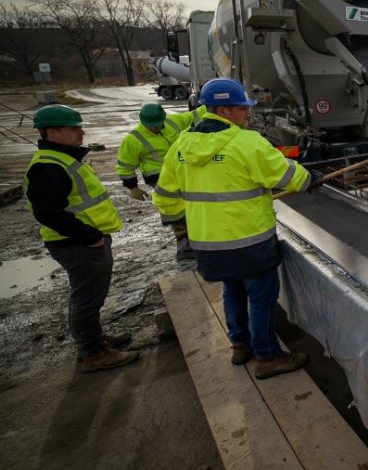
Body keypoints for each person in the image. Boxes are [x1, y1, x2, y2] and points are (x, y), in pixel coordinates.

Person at [152, 78, 313, 379]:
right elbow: (289, 177)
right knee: (261, 297)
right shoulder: (245, 142)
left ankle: (240, 345)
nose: (246, 115)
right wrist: (308, 177)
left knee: (232, 290)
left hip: (208, 245)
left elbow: (165, 197)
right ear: (224, 109)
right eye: (242, 109)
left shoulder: (182, 145)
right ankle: (267, 357)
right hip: (250, 241)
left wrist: (186, 224)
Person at [24, 104, 139, 373]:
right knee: (87, 298)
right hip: (78, 244)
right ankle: (93, 352)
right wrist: (91, 237)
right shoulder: (49, 166)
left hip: (81, 241)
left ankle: (93, 340)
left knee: (86, 296)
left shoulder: (61, 158)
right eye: (74, 128)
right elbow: (48, 212)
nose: (81, 132)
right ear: (53, 131)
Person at [117, 102, 205, 259]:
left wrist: (214, 102)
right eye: (151, 126)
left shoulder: (173, 121)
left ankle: (198, 241)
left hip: (182, 172)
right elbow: (125, 166)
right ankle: (185, 247)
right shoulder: (133, 139)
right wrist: (133, 188)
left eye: (158, 125)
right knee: (175, 210)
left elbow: (196, 114)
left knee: (193, 207)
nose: (155, 129)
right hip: (158, 177)